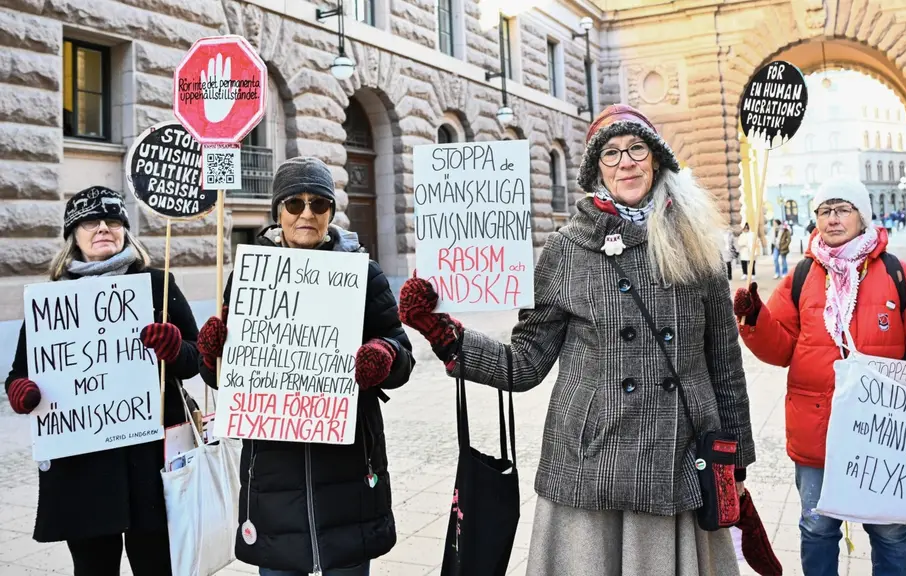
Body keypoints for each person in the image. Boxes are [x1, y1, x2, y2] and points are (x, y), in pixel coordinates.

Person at [399, 104, 754, 576]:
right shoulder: (567, 246)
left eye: (636, 148)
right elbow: (525, 362)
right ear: (597, 169)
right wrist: (444, 335)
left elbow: (724, 365)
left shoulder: (697, 242)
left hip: (678, 459)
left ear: (656, 159)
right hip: (590, 463)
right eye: (610, 153)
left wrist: (736, 462)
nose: (625, 161)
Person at [732, 176, 906, 576]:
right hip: (816, 431)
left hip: (881, 433)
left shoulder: (899, 274)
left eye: (842, 210)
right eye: (824, 211)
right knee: (817, 528)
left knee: (890, 533)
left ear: (862, 216)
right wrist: (755, 320)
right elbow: (781, 349)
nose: (832, 219)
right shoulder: (801, 277)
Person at [195, 157, 415, 576]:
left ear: (332, 212)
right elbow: (223, 379)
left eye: (319, 204)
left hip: (348, 470)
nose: (307, 214)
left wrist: (382, 357)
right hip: (274, 478)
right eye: (294, 204)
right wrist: (213, 353)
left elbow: (402, 357)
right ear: (278, 212)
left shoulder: (363, 275)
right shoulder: (248, 275)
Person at [4, 186, 200, 575]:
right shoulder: (52, 300)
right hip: (83, 466)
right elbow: (20, 373)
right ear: (73, 235)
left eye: (112, 220)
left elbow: (195, 362)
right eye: (90, 221)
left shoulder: (158, 285)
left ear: (126, 229)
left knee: (158, 565)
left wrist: (175, 348)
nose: (103, 228)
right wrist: (22, 392)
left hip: (150, 463)